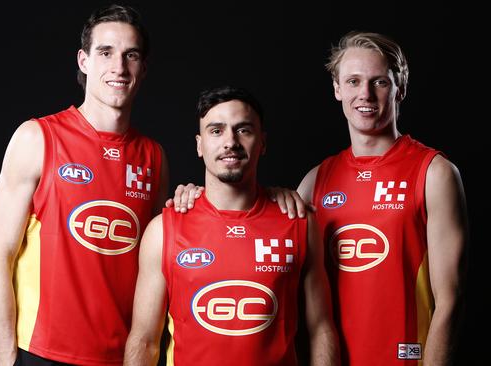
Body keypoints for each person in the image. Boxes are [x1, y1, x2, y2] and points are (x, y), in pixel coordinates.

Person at [0, 4, 169, 366]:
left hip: (120, 357)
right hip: (42, 354)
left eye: (131, 55)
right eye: (105, 52)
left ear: (143, 69)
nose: (118, 67)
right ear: (83, 61)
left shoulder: (154, 158)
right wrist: (6, 361)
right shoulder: (38, 138)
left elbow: (157, 262)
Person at [124, 86, 339, 366]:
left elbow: (320, 330)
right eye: (216, 131)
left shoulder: (298, 223)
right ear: (200, 145)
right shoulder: (163, 230)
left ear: (262, 142)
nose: (230, 142)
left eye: (243, 130)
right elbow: (144, 340)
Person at [296, 31, 468, 365]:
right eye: (353, 81)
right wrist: (196, 196)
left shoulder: (434, 172)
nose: (365, 94)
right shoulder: (315, 181)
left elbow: (450, 300)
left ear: (400, 87)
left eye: (379, 82)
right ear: (337, 89)